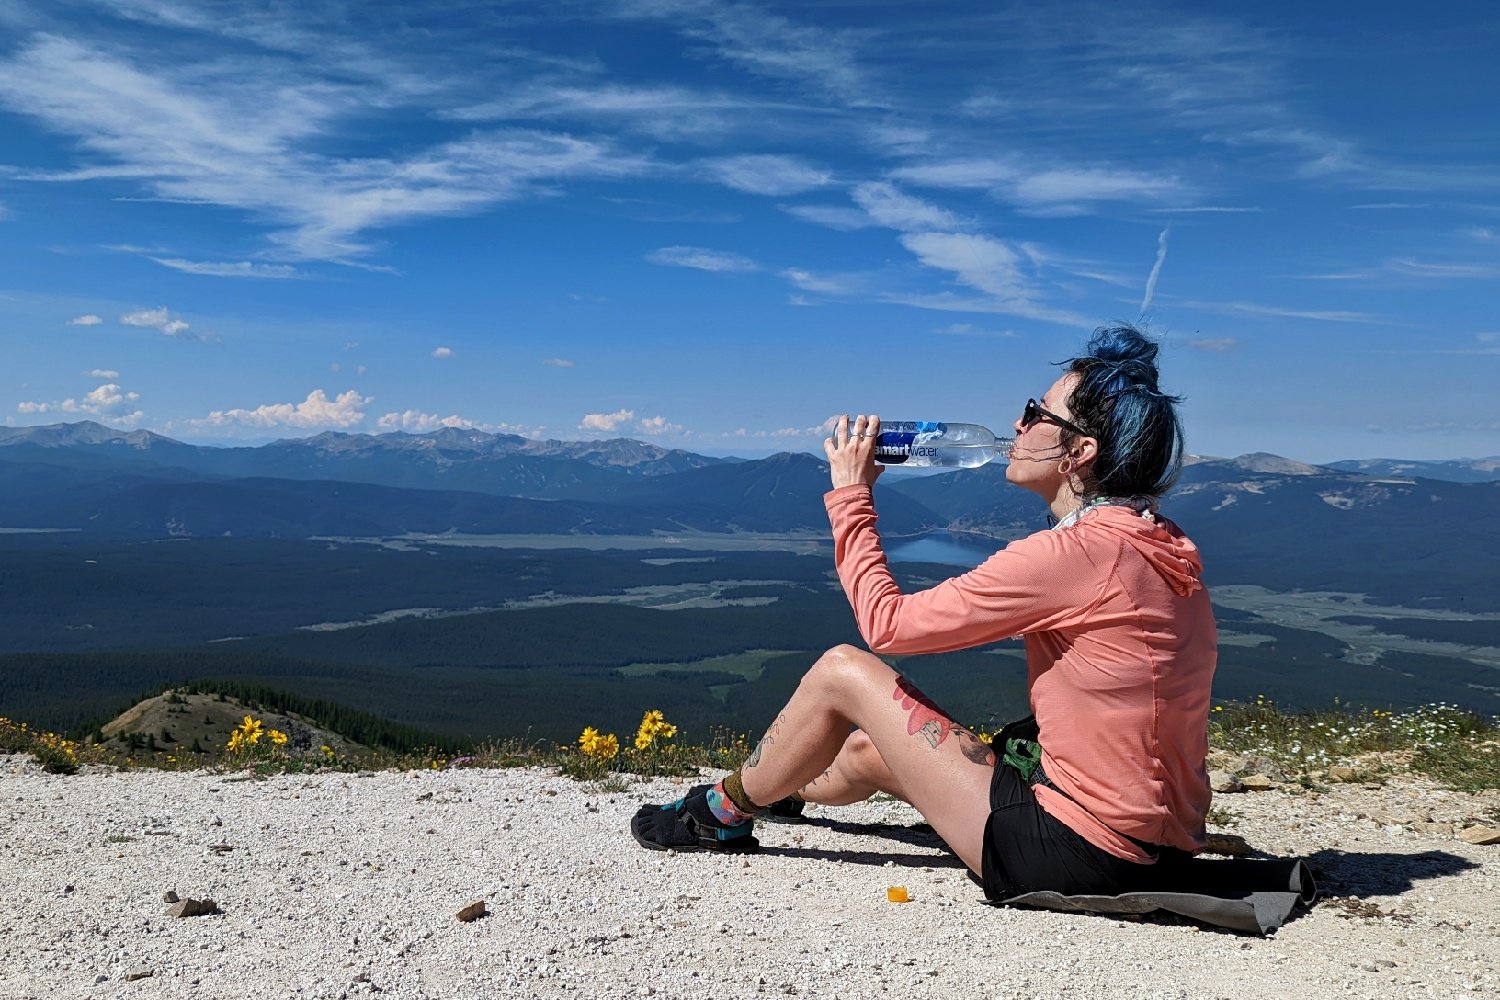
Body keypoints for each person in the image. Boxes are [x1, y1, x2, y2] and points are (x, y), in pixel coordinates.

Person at [631, 324, 1216, 903]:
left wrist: (850, 495)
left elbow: (888, 625)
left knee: (841, 670)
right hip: (1162, 843)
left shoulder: (1079, 554)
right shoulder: (1155, 541)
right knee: (865, 751)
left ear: (1079, 452)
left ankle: (718, 812)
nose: (1018, 423)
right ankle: (779, 787)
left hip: (1084, 852)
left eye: (1037, 412)